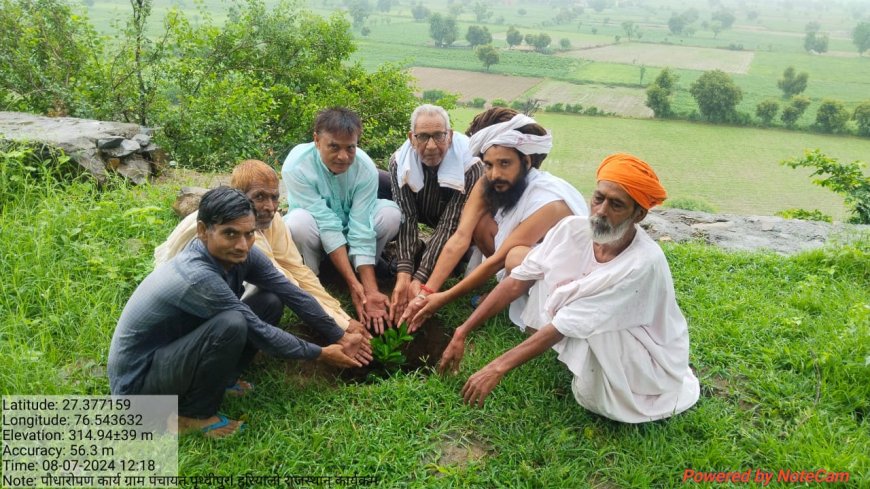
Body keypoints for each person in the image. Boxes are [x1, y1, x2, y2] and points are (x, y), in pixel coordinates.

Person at [438, 154, 701, 423]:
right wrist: (462, 331)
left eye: (616, 205)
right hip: (585, 321)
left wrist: (496, 368)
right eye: (598, 198)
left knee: (598, 399)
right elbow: (518, 280)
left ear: (639, 214)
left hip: (644, 351)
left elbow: (569, 322)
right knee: (543, 273)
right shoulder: (571, 229)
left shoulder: (643, 262)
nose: (601, 211)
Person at [108, 187, 370, 437]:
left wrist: (339, 334)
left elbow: (291, 291)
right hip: (138, 387)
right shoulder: (197, 275)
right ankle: (193, 415)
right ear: (202, 231)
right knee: (232, 323)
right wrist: (321, 354)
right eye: (230, 234)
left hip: (171, 353)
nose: (242, 245)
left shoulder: (244, 254)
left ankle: (223, 380)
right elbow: (257, 329)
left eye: (249, 234)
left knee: (270, 299)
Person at [400, 107, 587, 331]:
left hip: (563, 277)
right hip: (517, 262)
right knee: (479, 225)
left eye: (505, 163)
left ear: (526, 162)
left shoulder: (552, 203)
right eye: (489, 164)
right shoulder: (489, 180)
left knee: (515, 258)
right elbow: (460, 236)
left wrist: (444, 298)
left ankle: (530, 313)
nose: (495, 174)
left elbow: (499, 258)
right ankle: (503, 290)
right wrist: (427, 292)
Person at [154, 159, 368, 338]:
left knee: (272, 295)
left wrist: (342, 315)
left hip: (218, 288)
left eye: (274, 197)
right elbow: (283, 281)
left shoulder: (272, 220)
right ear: (239, 195)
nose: (270, 207)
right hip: (185, 306)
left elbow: (298, 270)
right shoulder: (237, 229)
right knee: (270, 293)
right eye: (259, 197)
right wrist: (340, 328)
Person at [282, 108, 401, 334]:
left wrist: (369, 289)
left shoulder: (365, 168)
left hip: (349, 228)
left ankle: (365, 271)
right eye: (334, 147)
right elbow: (326, 224)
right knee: (297, 223)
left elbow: (361, 225)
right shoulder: (296, 166)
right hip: (315, 232)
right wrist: (352, 285)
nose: (343, 157)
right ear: (317, 140)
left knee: (390, 213)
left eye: (350, 148)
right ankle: (314, 281)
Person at [388, 104, 484, 323]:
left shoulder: (471, 166)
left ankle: (444, 259)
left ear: (449, 136)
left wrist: (420, 277)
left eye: (438, 136)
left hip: (456, 221)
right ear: (411, 138)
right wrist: (404, 273)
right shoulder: (399, 162)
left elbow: (450, 223)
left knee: (460, 253)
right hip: (423, 209)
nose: (431, 146)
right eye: (423, 137)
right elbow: (407, 217)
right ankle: (416, 253)